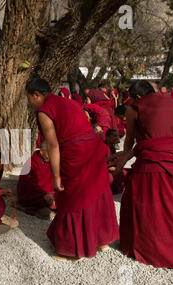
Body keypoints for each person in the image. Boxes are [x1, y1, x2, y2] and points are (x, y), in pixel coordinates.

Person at [109, 80, 173, 272]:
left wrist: (121, 161)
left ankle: (140, 248)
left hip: (152, 167)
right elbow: (159, 139)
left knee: (140, 205)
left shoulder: (134, 109)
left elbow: (131, 143)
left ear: (138, 97)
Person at [26, 77, 119, 261]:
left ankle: (73, 250)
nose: (29, 102)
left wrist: (55, 176)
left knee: (72, 197)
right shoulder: (68, 102)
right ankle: (101, 240)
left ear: (37, 95)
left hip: (75, 153)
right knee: (96, 191)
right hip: (93, 147)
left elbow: (52, 145)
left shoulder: (44, 111)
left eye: (29, 97)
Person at [17, 141, 56, 219]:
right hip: (33, 195)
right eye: (49, 153)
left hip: (48, 194)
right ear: (41, 152)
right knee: (47, 212)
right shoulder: (30, 164)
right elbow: (28, 186)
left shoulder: (50, 162)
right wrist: (44, 195)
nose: (52, 156)